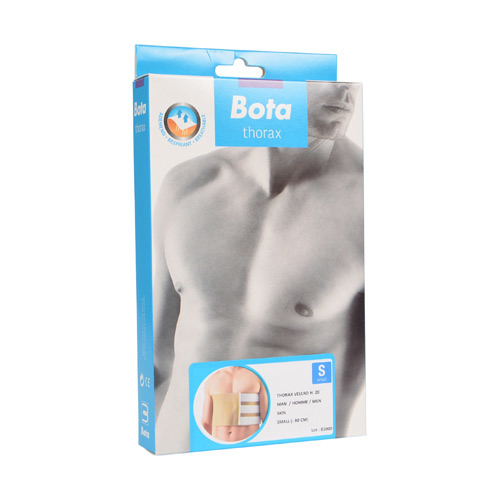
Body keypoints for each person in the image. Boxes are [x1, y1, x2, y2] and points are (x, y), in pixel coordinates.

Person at [153, 82, 365, 453]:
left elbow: (351, 395)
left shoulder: (366, 202)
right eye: (324, 74)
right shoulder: (186, 185)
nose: (345, 87)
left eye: (349, 75)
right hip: (176, 451)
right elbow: (157, 360)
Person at [200, 366, 268, 442]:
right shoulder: (212, 379)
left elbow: (267, 420)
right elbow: (206, 423)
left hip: (249, 443)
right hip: (220, 444)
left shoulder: (256, 377)